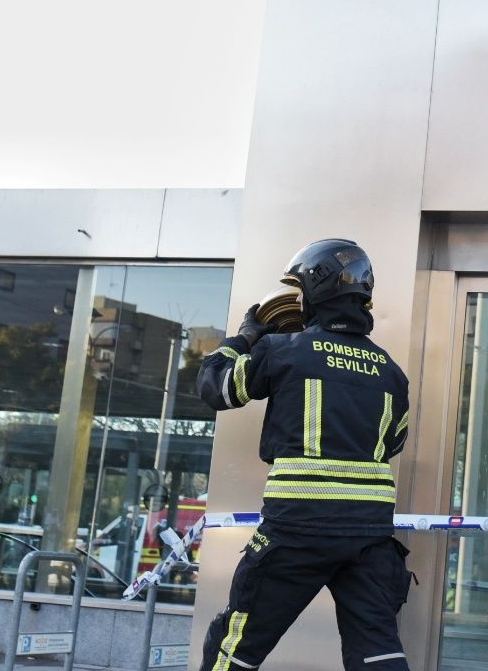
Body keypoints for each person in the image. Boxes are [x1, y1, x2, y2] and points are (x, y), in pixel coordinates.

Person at [196, 238, 413, 671]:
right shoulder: (391, 372)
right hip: (369, 536)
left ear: (315, 289)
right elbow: (394, 444)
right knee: (379, 654)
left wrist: (245, 336)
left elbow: (214, 387)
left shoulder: (282, 351)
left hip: (297, 529)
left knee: (235, 645)